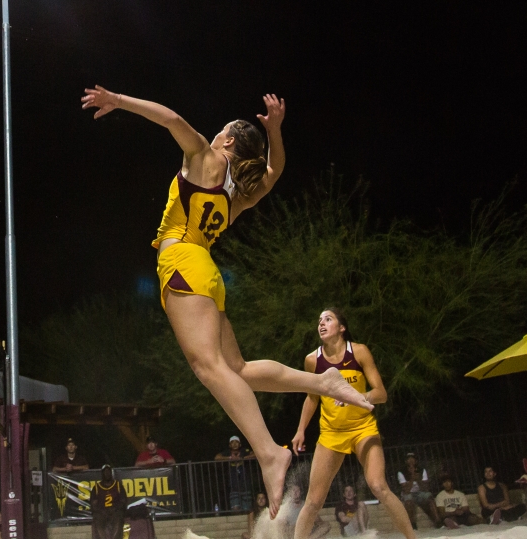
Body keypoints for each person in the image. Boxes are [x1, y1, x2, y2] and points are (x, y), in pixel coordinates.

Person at [81, 86, 371, 517]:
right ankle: (322, 383)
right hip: (205, 272)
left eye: (219, 131)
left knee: (208, 368)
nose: (214, 134)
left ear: (228, 141)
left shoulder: (208, 159)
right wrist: (275, 132)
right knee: (236, 369)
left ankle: (270, 455)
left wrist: (120, 101)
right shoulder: (237, 193)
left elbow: (172, 119)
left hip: (182, 259)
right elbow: (274, 171)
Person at [290, 309, 416, 539]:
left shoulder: (358, 351)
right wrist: (300, 430)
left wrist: (355, 397)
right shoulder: (312, 360)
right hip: (331, 433)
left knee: (378, 486)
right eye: (319, 320)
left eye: (328, 319)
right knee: (314, 500)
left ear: (341, 328)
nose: (321, 323)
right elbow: (312, 398)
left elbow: (381, 393)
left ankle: (412, 538)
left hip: (362, 428)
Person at [397, 453, 439, 529]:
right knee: (409, 501)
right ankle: (413, 525)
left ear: (416, 461)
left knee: (429, 497)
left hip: (420, 492)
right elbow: (406, 490)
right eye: (409, 459)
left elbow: (425, 488)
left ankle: (438, 522)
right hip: (408, 493)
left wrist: (418, 479)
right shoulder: (401, 472)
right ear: (406, 461)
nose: (411, 461)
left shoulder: (422, 470)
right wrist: (412, 478)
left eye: (412, 458)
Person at [215, 436, 255, 511]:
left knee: (247, 509)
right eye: (232, 442)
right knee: (235, 508)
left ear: (240, 444)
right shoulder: (227, 452)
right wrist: (230, 458)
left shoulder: (244, 451)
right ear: (229, 445)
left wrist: (243, 458)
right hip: (233, 485)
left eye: (236, 442)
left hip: (245, 484)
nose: (234, 444)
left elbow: (255, 454)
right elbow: (217, 457)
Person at [89, 465, 127, 539]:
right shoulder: (96, 487)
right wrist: (101, 511)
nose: (107, 474)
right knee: (97, 520)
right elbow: (93, 505)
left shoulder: (118, 485)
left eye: (108, 471)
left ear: (111, 473)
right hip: (102, 512)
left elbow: (123, 501)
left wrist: (115, 508)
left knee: (118, 519)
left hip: (115, 511)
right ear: (102, 474)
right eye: (105, 472)